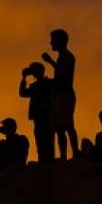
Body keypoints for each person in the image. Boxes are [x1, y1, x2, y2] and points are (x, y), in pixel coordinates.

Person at [41, 28, 78, 161]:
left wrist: (50, 61)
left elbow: (63, 73)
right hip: (58, 96)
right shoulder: (63, 57)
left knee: (68, 125)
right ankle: (63, 157)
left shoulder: (67, 56)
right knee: (59, 129)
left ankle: (75, 153)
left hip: (65, 95)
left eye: (53, 40)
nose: (51, 43)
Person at [18, 62, 55, 162]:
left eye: (34, 70)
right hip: (38, 116)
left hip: (48, 116)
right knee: (40, 138)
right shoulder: (34, 86)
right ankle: (43, 159)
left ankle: (49, 160)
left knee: (48, 138)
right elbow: (22, 93)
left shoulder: (50, 83)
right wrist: (23, 78)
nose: (33, 73)